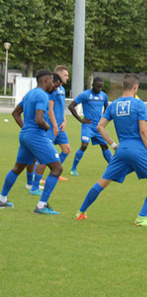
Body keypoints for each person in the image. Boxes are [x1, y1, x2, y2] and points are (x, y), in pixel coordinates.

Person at [74, 74, 147, 226]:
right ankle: (141, 218)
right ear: (136, 87)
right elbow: (143, 131)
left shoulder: (113, 105)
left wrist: (113, 145)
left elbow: (100, 126)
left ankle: (81, 212)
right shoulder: (139, 104)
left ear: (123, 86)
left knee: (102, 182)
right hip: (137, 150)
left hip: (121, 150)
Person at [0, 70, 63, 214]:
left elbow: (15, 113)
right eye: (52, 82)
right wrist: (48, 127)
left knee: (17, 168)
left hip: (26, 135)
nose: (53, 85)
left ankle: (2, 199)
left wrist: (26, 129)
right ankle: (41, 206)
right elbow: (39, 119)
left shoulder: (30, 94)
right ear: (46, 80)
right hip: (36, 135)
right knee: (57, 168)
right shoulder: (42, 95)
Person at [29, 66, 71, 194]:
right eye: (65, 75)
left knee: (66, 149)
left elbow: (61, 107)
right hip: (52, 127)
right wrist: (54, 125)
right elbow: (51, 109)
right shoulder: (52, 89)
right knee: (44, 156)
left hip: (59, 126)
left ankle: (54, 173)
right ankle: (35, 185)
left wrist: (64, 120)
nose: (67, 78)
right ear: (58, 75)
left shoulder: (62, 89)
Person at [68, 77, 111, 176]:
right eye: (97, 87)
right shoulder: (85, 94)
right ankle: (73, 169)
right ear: (92, 85)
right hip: (88, 126)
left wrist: (103, 120)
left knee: (104, 146)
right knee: (84, 145)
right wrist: (81, 119)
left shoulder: (103, 96)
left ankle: (112, 169)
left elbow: (107, 107)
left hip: (98, 127)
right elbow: (71, 106)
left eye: (101, 87)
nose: (99, 89)